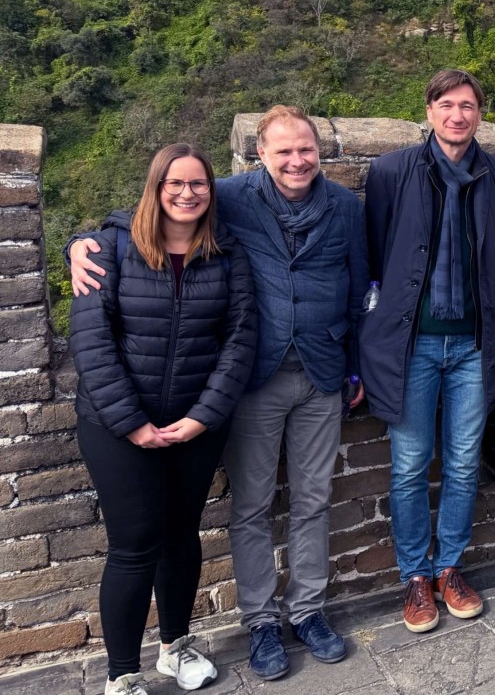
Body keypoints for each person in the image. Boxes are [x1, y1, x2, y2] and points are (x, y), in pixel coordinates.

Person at [71, 106, 368, 680]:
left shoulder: (346, 208)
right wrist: (80, 242)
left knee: (313, 499)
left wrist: (354, 366)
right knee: (251, 505)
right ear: (261, 155)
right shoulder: (231, 195)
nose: (297, 160)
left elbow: (357, 286)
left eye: (305, 148)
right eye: (283, 151)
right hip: (252, 381)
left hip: (320, 372)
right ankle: (258, 622)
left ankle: (308, 610)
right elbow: (149, 209)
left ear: (319, 150)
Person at [71, 145, 257, 695]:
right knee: (133, 544)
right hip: (116, 425)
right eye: (174, 183)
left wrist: (204, 417)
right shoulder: (109, 248)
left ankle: (176, 646)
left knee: (181, 536)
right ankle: (121, 674)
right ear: (155, 187)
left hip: (195, 425)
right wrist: (131, 423)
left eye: (198, 184)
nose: (186, 193)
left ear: (211, 192)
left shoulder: (226, 254)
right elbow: (92, 342)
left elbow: (240, 339)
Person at [361, 69, 495, 632]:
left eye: (468, 106)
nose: (457, 115)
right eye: (447, 105)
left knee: (462, 461)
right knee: (407, 464)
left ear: (480, 115)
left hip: (475, 343)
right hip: (413, 344)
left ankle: (450, 568)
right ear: (428, 112)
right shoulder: (389, 172)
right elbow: (375, 259)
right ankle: (415, 577)